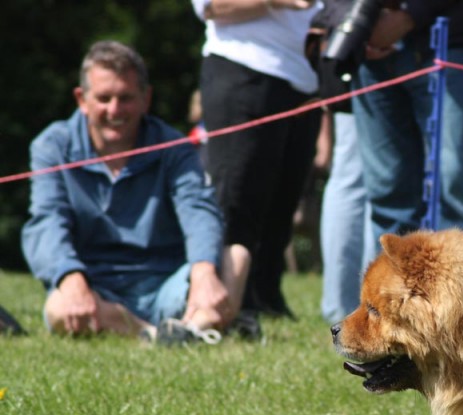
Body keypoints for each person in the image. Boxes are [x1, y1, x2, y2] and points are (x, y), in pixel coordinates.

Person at [21, 40, 243, 344]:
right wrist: (71, 278)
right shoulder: (52, 146)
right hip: (94, 287)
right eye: (104, 98)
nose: (115, 110)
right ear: (81, 99)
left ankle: (188, 327)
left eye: (126, 98)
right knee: (60, 308)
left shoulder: (173, 146)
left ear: (145, 99)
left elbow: (198, 209)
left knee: (237, 258)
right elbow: (47, 222)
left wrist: (204, 272)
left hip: (168, 284)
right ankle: (169, 335)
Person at [193, 0, 322, 323]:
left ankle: (266, 297)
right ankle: (226, 302)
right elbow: (209, 7)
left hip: (305, 80)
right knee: (237, 198)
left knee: (284, 200)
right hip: (241, 70)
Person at [350, 0, 463, 265]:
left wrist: (410, 15)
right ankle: (394, 298)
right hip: (368, 54)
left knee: (455, 179)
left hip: (445, 40)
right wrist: (351, 25)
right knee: (387, 188)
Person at [318, 109, 369, 322]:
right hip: (363, 85)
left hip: (348, 85)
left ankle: (341, 305)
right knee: (356, 178)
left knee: (349, 176)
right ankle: (370, 307)